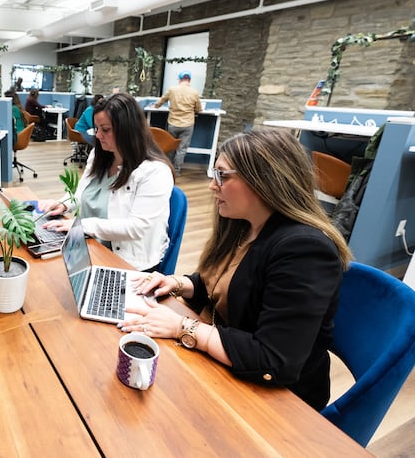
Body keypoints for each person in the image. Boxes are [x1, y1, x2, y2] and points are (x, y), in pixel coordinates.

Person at [120, 128, 353, 411]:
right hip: (229, 366)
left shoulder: (304, 251)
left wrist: (183, 326)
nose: (212, 185)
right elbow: (228, 284)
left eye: (222, 175)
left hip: (274, 399)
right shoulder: (245, 225)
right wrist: (177, 283)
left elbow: (273, 361)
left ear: (264, 181)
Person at [38, 93, 175, 272]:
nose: (98, 135)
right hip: (89, 245)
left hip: (128, 262)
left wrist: (81, 227)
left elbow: (136, 227)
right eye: (96, 128)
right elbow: (83, 193)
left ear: (127, 129)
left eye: (105, 129)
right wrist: (63, 205)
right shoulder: (100, 155)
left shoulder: (155, 172)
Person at [153, 70, 202, 175]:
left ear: (179, 79)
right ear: (189, 79)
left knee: (170, 146)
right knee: (182, 149)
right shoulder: (195, 92)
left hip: (173, 123)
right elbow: (199, 109)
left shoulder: (172, 90)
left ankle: (167, 169)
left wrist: (156, 106)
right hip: (187, 124)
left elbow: (161, 100)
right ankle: (176, 170)